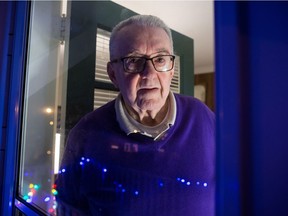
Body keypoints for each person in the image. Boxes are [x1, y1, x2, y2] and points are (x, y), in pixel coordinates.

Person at [56, 14, 215, 216]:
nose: (149, 74)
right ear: (113, 75)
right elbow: (67, 210)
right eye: (133, 61)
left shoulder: (202, 117)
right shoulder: (85, 136)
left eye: (160, 59)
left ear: (172, 70)